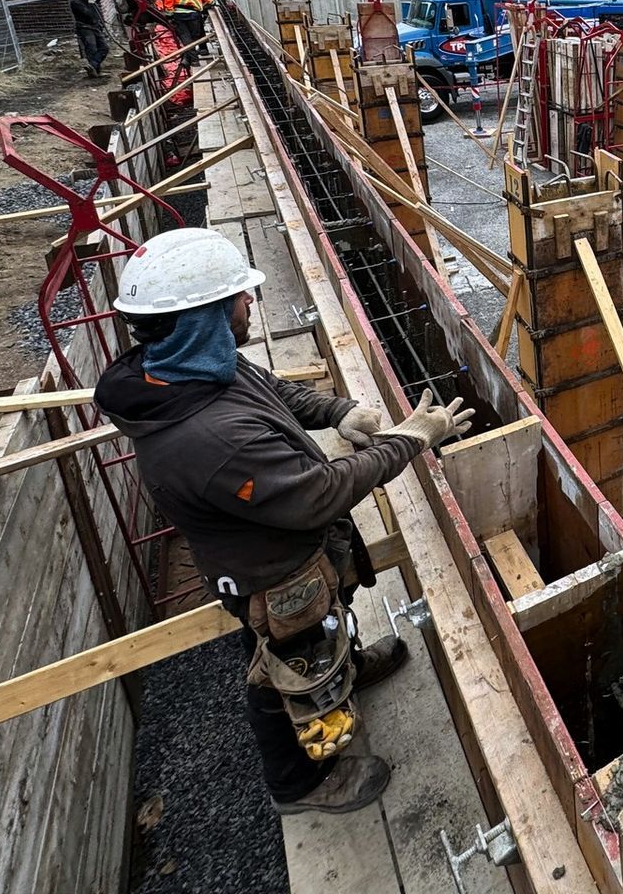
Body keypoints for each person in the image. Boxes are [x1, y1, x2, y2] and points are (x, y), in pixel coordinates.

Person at [94, 227, 473, 815]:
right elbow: (320, 495)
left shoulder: (188, 369)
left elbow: (268, 389)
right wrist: (410, 439)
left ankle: (342, 671)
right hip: (269, 572)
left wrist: (338, 411)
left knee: (323, 627)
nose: (251, 305)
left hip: (294, 555)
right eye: (241, 298)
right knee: (280, 670)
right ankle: (298, 785)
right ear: (207, 317)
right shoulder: (206, 438)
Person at [159, 0, 214, 65]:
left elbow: (168, 6)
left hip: (179, 16)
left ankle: (193, 60)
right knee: (195, 37)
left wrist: (170, 17)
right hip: (194, 15)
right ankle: (191, 58)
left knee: (185, 37)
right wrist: (214, 2)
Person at [69, 0, 108, 78]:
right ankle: (95, 72)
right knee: (92, 49)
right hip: (85, 29)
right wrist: (91, 3)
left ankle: (93, 66)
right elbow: (88, 14)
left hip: (95, 27)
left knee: (104, 48)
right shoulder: (75, 2)